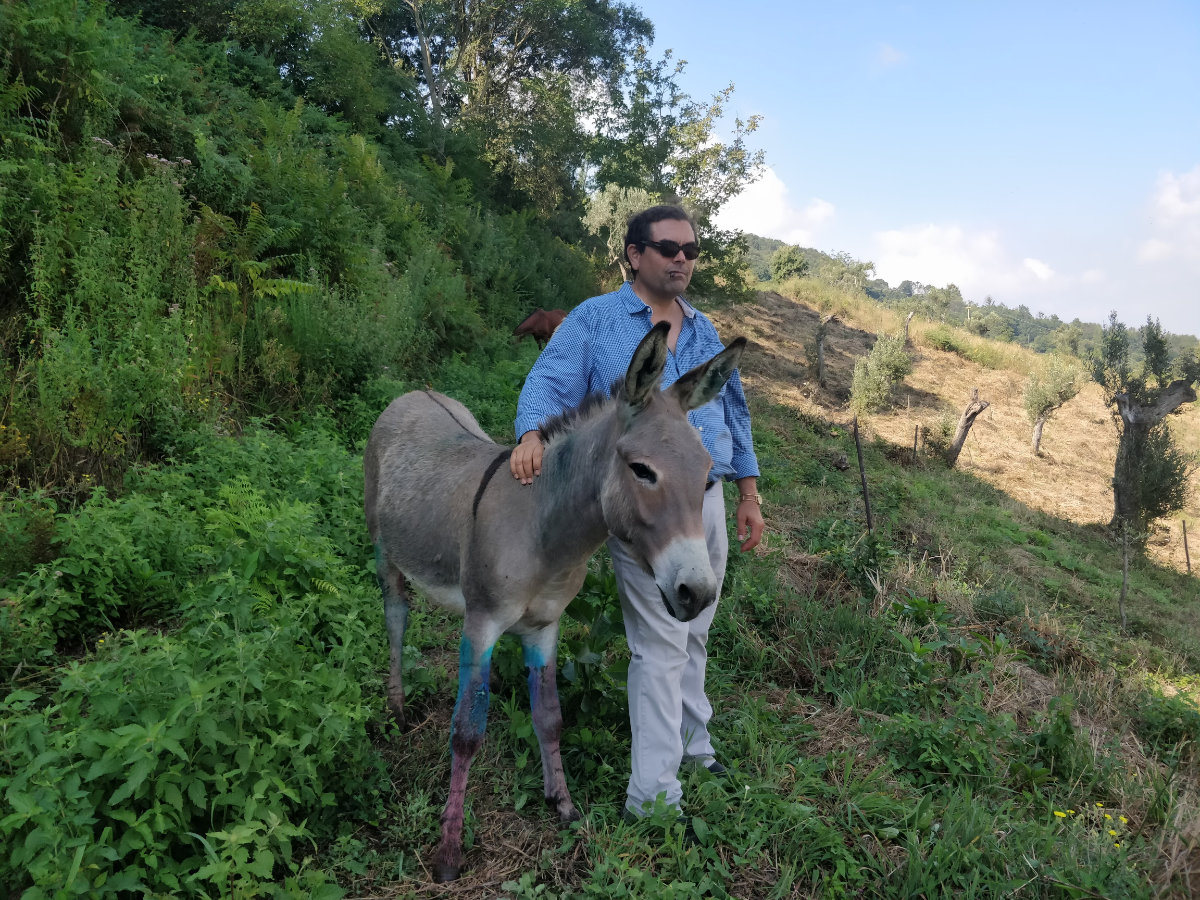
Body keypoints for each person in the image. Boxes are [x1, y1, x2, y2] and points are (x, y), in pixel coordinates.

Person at [510, 204, 765, 820]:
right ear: (634, 254)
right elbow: (549, 380)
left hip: (704, 500)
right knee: (659, 645)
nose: (683, 260)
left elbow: (734, 410)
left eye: (691, 251)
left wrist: (749, 492)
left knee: (695, 629)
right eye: (669, 248)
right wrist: (532, 434)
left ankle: (693, 745)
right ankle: (653, 797)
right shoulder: (595, 321)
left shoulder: (702, 327)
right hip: (646, 508)